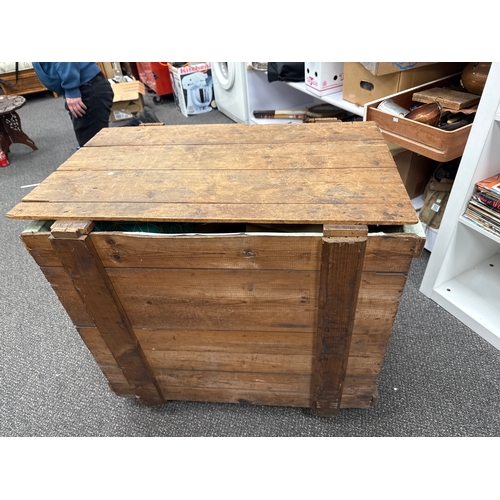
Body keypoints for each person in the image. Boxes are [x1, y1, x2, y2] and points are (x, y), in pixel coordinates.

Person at [32, 62, 159, 147]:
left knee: (92, 147)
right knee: (93, 143)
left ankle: (140, 124)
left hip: (86, 88)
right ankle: (139, 123)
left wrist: (71, 89)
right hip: (85, 87)